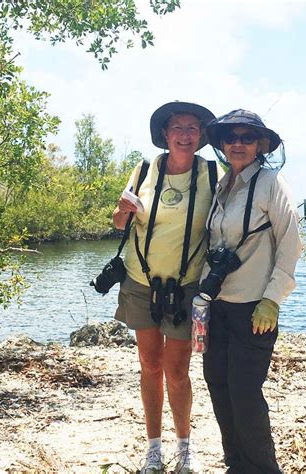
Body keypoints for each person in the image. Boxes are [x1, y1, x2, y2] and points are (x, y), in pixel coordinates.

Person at [112, 101, 222, 473]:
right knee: (149, 364)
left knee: (177, 370)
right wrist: (122, 210)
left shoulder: (211, 173)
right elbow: (117, 221)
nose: (186, 135)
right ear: (165, 133)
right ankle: (153, 449)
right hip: (141, 283)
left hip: (186, 287)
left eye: (193, 128)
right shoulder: (144, 169)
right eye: (178, 128)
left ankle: (184, 448)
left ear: (201, 136)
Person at [200, 109, 302, 473]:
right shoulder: (223, 185)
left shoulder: (272, 183)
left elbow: (290, 244)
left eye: (246, 138)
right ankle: (236, 464)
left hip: (254, 308)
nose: (237, 144)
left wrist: (273, 299)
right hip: (218, 306)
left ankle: (262, 468)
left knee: (245, 394)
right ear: (222, 145)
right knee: (218, 385)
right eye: (231, 138)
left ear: (260, 144)